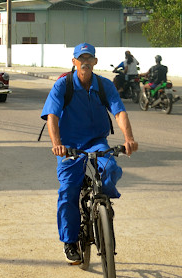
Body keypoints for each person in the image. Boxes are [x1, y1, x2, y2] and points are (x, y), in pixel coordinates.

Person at [41, 43, 138, 264]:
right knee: (68, 190)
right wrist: (57, 144)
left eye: (89, 58)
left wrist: (129, 139)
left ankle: (102, 203)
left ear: (95, 61)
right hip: (68, 144)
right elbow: (52, 117)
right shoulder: (62, 86)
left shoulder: (104, 85)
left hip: (96, 141)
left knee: (110, 168)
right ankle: (70, 241)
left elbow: (119, 111)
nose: (85, 61)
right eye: (80, 58)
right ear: (74, 61)